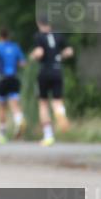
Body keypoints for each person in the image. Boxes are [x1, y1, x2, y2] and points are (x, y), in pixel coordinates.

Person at [30, 18, 74, 147]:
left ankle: (48, 136)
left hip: (44, 72)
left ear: (39, 24)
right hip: (57, 71)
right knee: (57, 101)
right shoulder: (58, 36)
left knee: (43, 104)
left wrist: (32, 56)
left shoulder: (39, 36)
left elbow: (39, 53)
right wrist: (60, 55)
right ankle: (60, 113)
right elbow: (69, 51)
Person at [0, 27, 27, 144]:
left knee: (2, 106)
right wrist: (14, 64)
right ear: (8, 36)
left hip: (2, 78)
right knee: (15, 103)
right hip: (14, 78)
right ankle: (19, 119)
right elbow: (23, 63)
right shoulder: (15, 47)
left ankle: (1, 133)